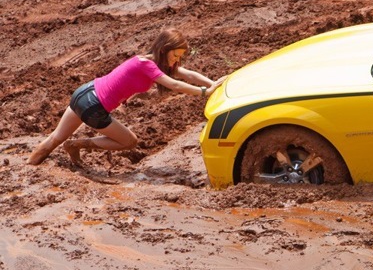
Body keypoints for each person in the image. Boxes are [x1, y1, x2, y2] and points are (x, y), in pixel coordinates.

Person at [28, 28, 225, 166]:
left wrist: (213, 84)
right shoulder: (146, 65)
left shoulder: (148, 61)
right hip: (94, 106)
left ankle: (30, 166)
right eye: (175, 55)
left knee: (54, 139)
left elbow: (187, 74)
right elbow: (174, 84)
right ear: (164, 50)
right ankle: (75, 144)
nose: (177, 60)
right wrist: (203, 93)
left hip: (84, 93)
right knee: (129, 142)